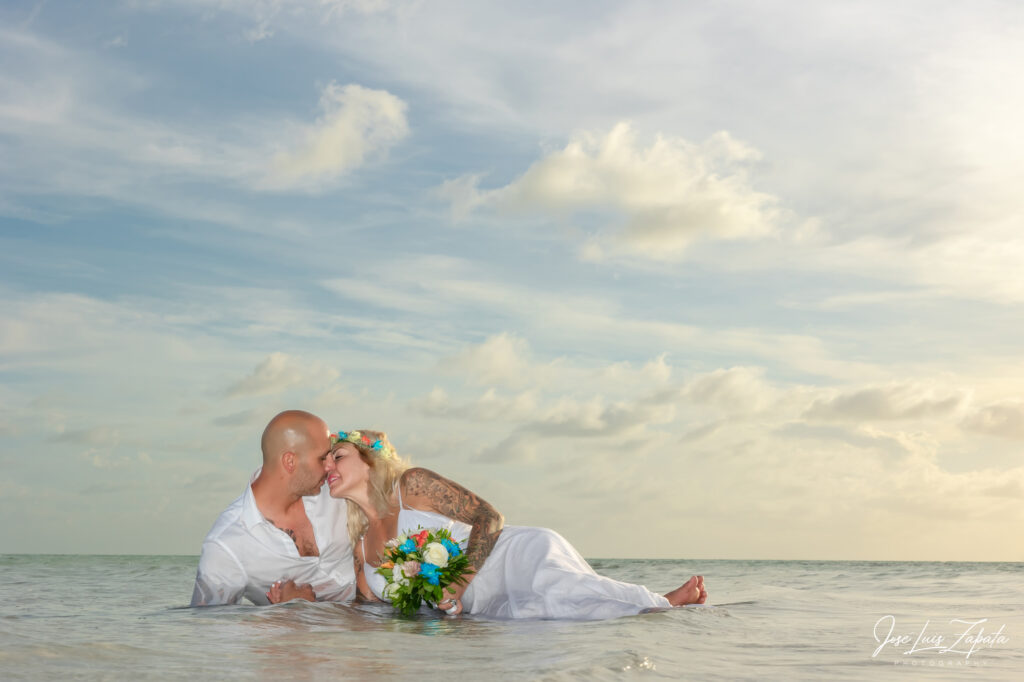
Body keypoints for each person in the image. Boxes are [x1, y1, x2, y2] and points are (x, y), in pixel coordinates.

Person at [269, 429, 707, 619]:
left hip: (512, 557)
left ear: (369, 460)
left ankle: (662, 603)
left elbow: (490, 517)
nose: (327, 466)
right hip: (486, 608)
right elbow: (371, 614)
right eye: (325, 461)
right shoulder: (361, 547)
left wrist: (456, 583)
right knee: (560, 628)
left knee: (566, 595)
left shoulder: (412, 485)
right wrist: (304, 604)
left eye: (337, 456)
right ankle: (659, 605)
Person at [190, 410, 355, 606]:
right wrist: (282, 613)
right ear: (290, 461)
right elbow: (210, 625)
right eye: (322, 458)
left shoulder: (338, 489)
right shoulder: (226, 545)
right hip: (327, 636)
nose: (331, 466)